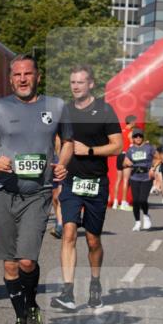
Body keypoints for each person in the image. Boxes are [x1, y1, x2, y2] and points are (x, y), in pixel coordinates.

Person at [0, 55, 69, 324]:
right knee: (9, 265)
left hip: (37, 193)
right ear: (11, 78)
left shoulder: (56, 106)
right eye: (17, 74)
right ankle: (22, 316)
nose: (23, 79)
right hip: (4, 191)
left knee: (27, 260)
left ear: (38, 76)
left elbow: (68, 143)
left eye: (28, 73)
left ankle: (32, 309)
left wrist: (63, 163)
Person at [51, 65, 121, 311]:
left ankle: (95, 283)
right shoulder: (66, 111)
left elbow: (117, 146)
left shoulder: (104, 110)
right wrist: (59, 166)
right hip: (71, 181)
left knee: (92, 240)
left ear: (91, 84)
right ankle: (68, 292)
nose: (76, 86)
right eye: (72, 82)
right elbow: (59, 141)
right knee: (68, 233)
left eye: (80, 82)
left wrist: (89, 150)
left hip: (96, 183)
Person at [125, 130, 156, 231]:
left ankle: (146, 215)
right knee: (135, 201)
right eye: (136, 136)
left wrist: (153, 168)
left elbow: (159, 158)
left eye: (140, 136)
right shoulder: (130, 150)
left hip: (147, 176)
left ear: (142, 137)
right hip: (135, 177)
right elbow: (124, 163)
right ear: (133, 138)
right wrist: (127, 163)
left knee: (142, 200)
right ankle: (137, 222)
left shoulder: (149, 148)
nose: (138, 138)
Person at [112, 118, 135, 210]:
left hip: (119, 156)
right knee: (126, 180)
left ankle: (115, 202)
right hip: (126, 156)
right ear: (132, 122)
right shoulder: (131, 132)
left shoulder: (120, 131)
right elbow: (133, 145)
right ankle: (124, 203)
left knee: (118, 180)